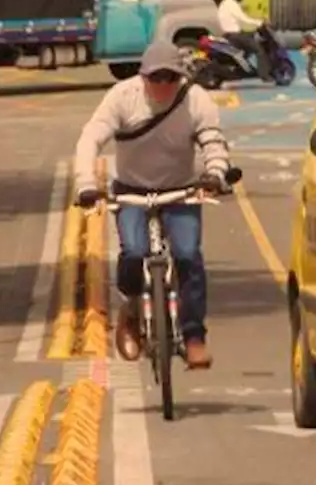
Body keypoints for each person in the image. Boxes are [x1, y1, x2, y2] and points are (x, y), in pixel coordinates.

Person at [72, 39, 231, 369]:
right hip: (131, 191)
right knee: (133, 252)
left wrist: (216, 174)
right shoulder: (121, 98)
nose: (162, 86)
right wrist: (87, 183)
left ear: (180, 78)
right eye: (155, 78)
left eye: (170, 78)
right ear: (142, 77)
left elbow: (213, 141)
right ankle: (130, 309)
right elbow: (91, 138)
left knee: (188, 256)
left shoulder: (196, 100)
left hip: (180, 191)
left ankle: (194, 337)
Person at [218, 0, 272, 83]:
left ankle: (245, 66)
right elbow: (244, 19)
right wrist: (259, 22)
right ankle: (264, 75)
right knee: (259, 50)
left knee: (250, 37)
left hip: (229, 34)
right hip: (235, 36)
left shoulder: (224, 3)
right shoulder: (231, 4)